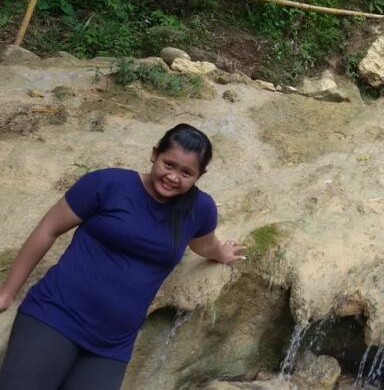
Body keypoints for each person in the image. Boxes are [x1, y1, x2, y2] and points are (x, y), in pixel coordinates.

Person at [0, 123, 245, 390]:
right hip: (55, 316)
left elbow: (204, 245)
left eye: (186, 172)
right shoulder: (108, 184)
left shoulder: (199, 209)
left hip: (111, 345)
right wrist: (8, 291)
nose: (174, 177)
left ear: (200, 175)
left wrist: (222, 253)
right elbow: (48, 230)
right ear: (154, 154)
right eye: (168, 164)